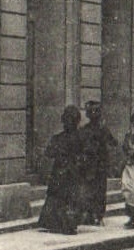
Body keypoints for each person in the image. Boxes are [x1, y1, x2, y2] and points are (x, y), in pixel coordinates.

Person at [37, 105, 83, 234]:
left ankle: (63, 224)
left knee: (62, 198)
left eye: (71, 120)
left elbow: (49, 153)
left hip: (64, 172)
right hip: (68, 172)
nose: (68, 123)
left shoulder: (61, 138)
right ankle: (66, 224)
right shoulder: (80, 137)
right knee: (65, 198)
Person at [78, 100, 117, 224]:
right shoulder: (84, 130)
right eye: (91, 112)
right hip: (89, 165)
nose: (94, 114)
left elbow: (113, 143)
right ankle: (89, 214)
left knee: (100, 191)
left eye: (96, 112)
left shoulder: (103, 129)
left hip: (100, 165)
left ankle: (98, 216)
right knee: (89, 190)